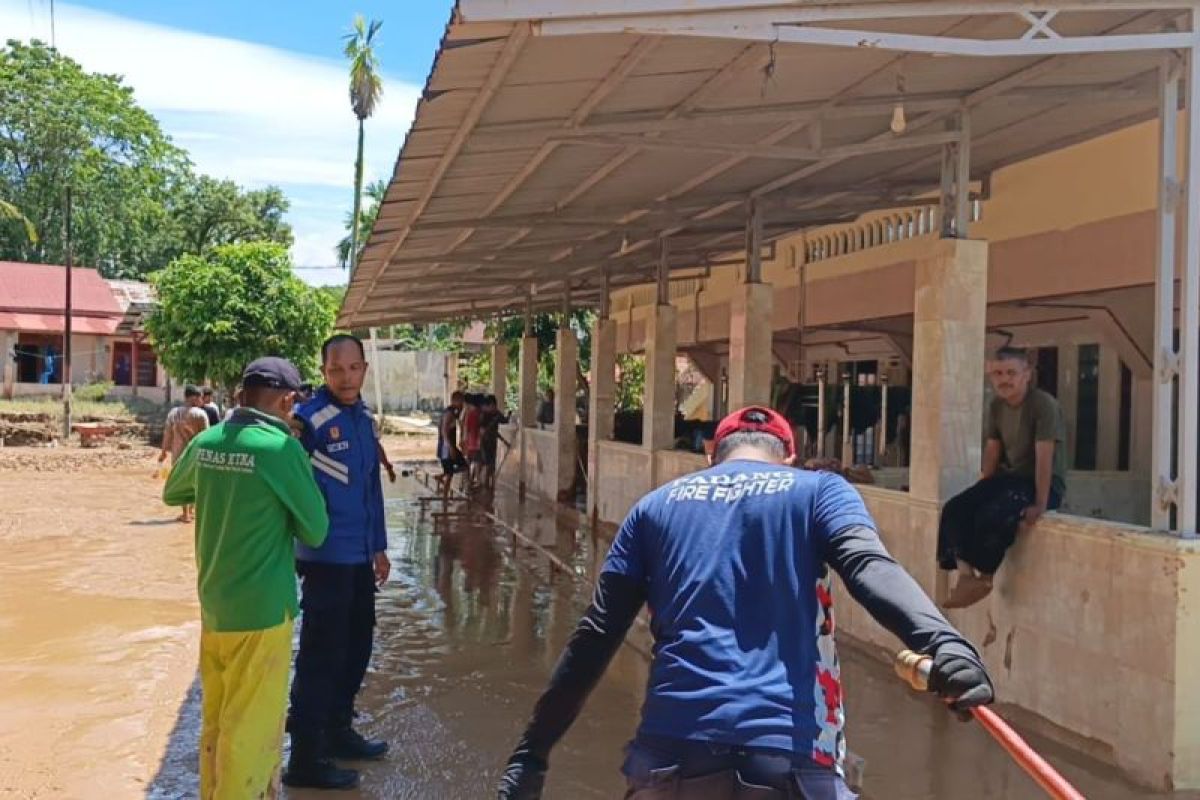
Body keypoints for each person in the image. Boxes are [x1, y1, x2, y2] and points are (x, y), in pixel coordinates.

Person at [498, 406, 994, 800]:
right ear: (789, 458)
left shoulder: (654, 506)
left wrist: (531, 755)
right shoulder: (820, 492)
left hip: (671, 760)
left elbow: (596, 636)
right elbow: (869, 568)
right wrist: (945, 645)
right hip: (791, 762)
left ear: (711, 454)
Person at [162, 357, 329, 800]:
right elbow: (315, 529)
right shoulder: (281, 449)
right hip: (264, 611)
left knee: (217, 720)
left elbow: (173, 492)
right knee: (250, 731)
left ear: (240, 397)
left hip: (215, 605)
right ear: (289, 400)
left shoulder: (209, 440)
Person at [285, 334, 390, 790]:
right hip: (324, 558)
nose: (345, 378)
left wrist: (379, 546)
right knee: (318, 658)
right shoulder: (307, 422)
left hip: (359, 558)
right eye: (335, 370)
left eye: (353, 369)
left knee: (356, 649)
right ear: (324, 372)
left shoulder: (364, 421)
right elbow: (284, 485)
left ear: (364, 369)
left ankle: (339, 732)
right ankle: (306, 757)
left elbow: (371, 488)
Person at [937, 347, 1067, 609]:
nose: (1004, 379)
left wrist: (1041, 503)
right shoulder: (996, 405)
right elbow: (993, 448)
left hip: (1039, 483)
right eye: (997, 373)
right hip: (1007, 479)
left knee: (995, 514)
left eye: (1011, 373)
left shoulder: (1043, 405)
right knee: (955, 508)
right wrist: (983, 485)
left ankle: (985, 576)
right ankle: (965, 575)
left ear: (1026, 374)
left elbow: (1045, 456)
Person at [158, 385, 211, 523]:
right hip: (197, 454)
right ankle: (192, 511)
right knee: (197, 481)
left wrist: (163, 452)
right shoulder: (200, 414)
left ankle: (186, 513)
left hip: (178, 454)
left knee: (182, 482)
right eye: (200, 397)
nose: (201, 400)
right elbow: (207, 436)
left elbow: (168, 434)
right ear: (193, 398)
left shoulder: (173, 413)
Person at [437, 391, 466, 496]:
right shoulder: (449, 413)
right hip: (446, 448)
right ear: (456, 401)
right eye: (461, 401)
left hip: (448, 447)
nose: (463, 404)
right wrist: (450, 448)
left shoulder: (452, 412)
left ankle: (442, 476)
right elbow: (444, 431)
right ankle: (445, 498)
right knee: (450, 474)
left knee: (462, 467)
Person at [479, 395, 509, 492]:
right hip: (484, 442)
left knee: (492, 464)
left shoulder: (497, 414)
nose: (494, 407)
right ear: (488, 405)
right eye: (492, 405)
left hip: (493, 442)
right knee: (487, 464)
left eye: (494, 405)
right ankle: (485, 484)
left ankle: (491, 484)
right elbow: (482, 431)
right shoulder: (483, 415)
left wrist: (509, 415)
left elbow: (504, 421)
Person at [462, 393, 483, 489]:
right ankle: (475, 481)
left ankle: (468, 482)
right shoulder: (479, 413)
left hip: (471, 443)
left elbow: (466, 429)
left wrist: (464, 441)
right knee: (476, 462)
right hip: (477, 443)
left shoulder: (470, 414)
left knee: (468, 462)